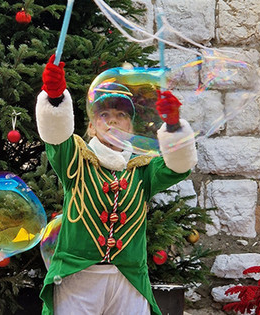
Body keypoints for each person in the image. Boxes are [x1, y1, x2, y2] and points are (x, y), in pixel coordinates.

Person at [35, 54, 198, 315]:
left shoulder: (143, 167)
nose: (113, 120)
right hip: (78, 277)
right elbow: (56, 138)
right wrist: (54, 98)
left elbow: (177, 167)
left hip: (128, 278)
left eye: (121, 114)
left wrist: (173, 125)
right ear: (91, 126)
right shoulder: (76, 158)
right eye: (104, 114)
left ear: (131, 125)